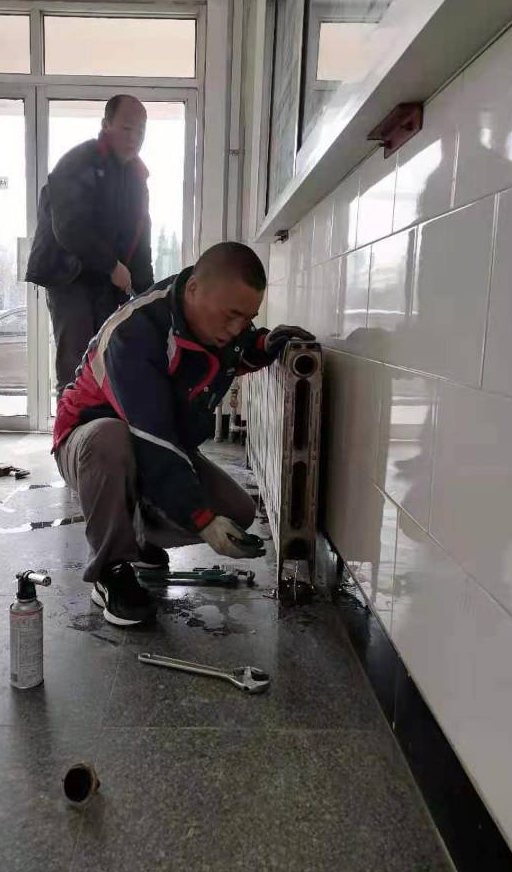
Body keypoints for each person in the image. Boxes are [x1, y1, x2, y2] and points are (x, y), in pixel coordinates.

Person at [53, 241, 313, 626]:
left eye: (247, 318)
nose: (237, 328)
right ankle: (111, 569)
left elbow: (236, 348)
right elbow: (153, 439)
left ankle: (138, 537)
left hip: (149, 440)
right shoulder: (135, 333)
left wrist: (263, 344)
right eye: (232, 316)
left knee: (237, 511)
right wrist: (201, 519)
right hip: (88, 442)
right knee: (112, 437)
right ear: (193, 289)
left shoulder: (212, 320)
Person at [26, 95, 154, 398]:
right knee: (76, 365)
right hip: (69, 276)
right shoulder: (78, 162)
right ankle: (70, 428)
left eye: (140, 131)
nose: (134, 138)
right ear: (106, 125)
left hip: (107, 283)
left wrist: (149, 296)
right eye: (126, 128)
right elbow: (69, 226)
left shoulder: (136, 177)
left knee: (105, 360)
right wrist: (112, 265)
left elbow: (140, 238)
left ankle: (97, 426)